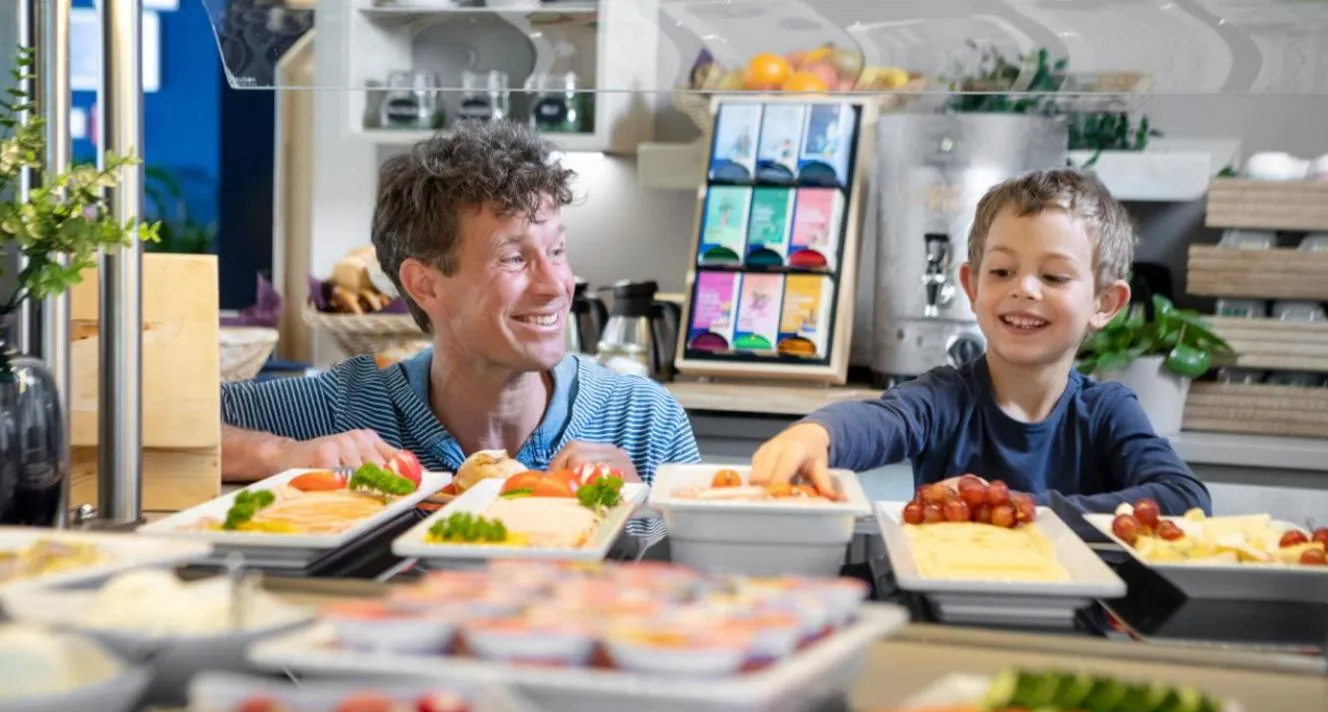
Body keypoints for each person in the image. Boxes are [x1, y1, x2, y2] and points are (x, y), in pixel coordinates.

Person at [220, 121, 699, 484]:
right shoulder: (346, 407)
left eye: (556, 250)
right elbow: (155, 427)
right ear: (425, 285)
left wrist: (643, 510)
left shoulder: (641, 421)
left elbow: (706, 593)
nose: (556, 285)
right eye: (513, 258)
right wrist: (281, 455)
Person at [750, 168, 1211, 516]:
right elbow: (881, 419)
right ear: (972, 286)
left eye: (1053, 276)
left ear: (1105, 302)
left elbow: (1183, 498)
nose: (1025, 289)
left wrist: (1008, 506)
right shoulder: (944, 399)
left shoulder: (1107, 412)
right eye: (1002, 271)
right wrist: (819, 432)